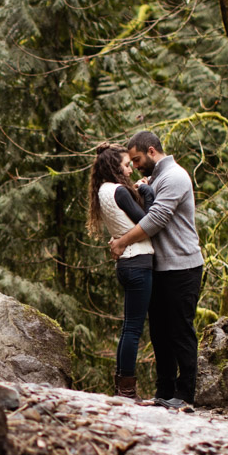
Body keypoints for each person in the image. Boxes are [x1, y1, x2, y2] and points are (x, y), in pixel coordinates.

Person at [108, 131, 204, 410]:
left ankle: (185, 394)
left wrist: (122, 242)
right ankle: (164, 393)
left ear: (152, 151)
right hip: (160, 267)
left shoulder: (174, 176)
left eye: (137, 159)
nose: (134, 165)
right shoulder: (158, 179)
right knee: (160, 333)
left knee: (180, 331)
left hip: (183, 267)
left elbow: (157, 219)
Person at [88, 144, 156, 399]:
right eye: (126, 165)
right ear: (114, 167)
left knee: (129, 327)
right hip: (138, 261)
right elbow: (147, 220)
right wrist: (147, 191)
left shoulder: (103, 190)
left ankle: (122, 388)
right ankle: (127, 392)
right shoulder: (120, 191)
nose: (129, 170)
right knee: (133, 329)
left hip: (126, 264)